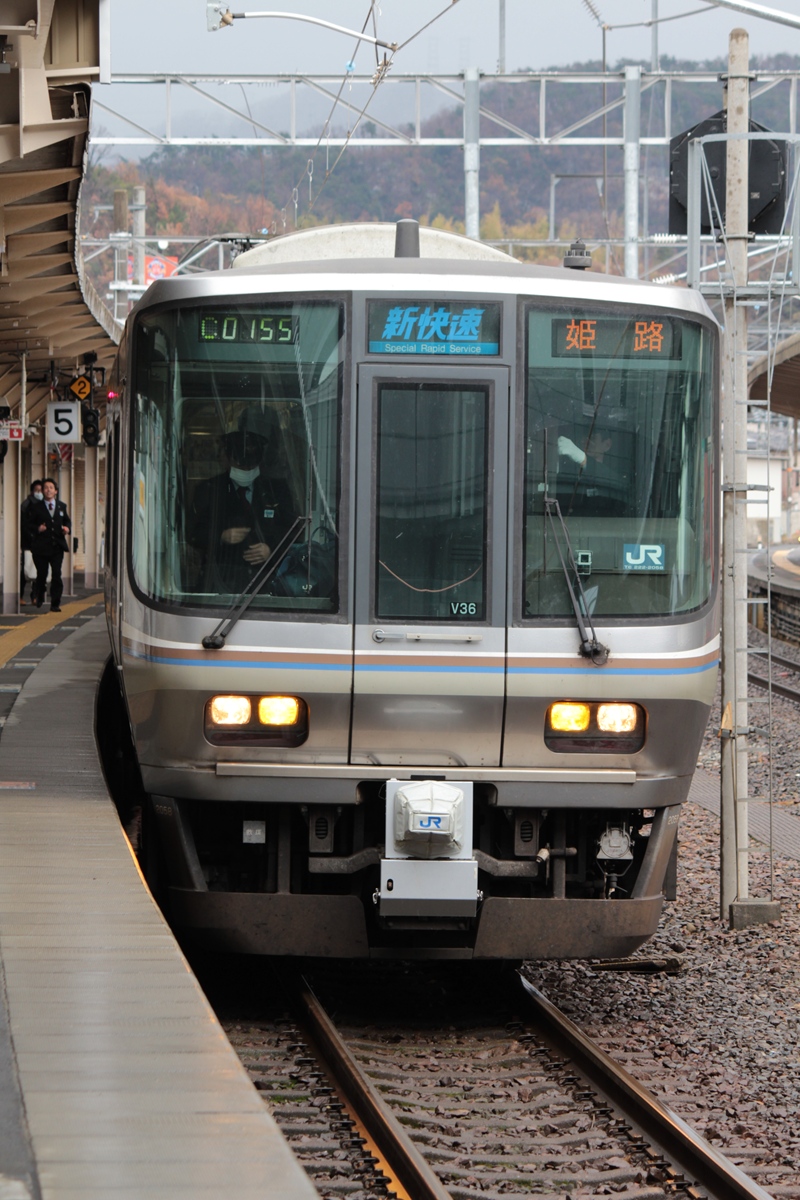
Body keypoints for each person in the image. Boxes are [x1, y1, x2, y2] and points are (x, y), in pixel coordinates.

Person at [189, 409, 296, 595]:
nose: (246, 470)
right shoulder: (209, 490)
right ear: (228, 459)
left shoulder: (277, 490)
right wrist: (220, 536)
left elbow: (293, 531)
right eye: (240, 464)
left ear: (259, 462)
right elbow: (192, 533)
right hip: (221, 580)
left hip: (266, 583)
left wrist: (272, 550)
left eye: (251, 465)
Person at [23, 478, 71, 612]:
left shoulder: (62, 506)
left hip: (57, 547)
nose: (48, 490)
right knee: (42, 574)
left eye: (51, 487)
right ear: (43, 491)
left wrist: (67, 528)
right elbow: (28, 524)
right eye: (46, 488)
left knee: (56, 575)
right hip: (41, 548)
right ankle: (39, 594)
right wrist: (38, 529)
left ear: (55, 491)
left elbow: (67, 521)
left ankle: (55, 603)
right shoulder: (36, 507)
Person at [19, 479, 43, 605]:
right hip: (27, 543)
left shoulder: (44, 505)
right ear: (32, 491)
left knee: (39, 570)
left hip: (40, 542)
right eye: (37, 490)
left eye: (41, 490)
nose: (39, 493)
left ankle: (35, 596)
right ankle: (20, 595)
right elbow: (23, 525)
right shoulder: (26, 505)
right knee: (25, 570)